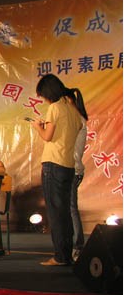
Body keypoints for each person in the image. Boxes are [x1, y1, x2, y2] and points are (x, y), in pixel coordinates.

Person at [30, 74, 84, 266]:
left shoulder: (55, 108)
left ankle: (60, 256)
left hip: (53, 163)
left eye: (43, 95)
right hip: (68, 165)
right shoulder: (73, 109)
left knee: (55, 212)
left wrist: (37, 127)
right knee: (65, 212)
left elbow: (47, 136)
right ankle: (66, 254)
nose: (43, 99)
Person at [71, 92, 89, 261]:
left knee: (71, 208)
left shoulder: (75, 119)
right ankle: (74, 245)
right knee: (69, 208)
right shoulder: (77, 119)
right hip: (72, 168)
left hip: (72, 169)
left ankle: (77, 246)